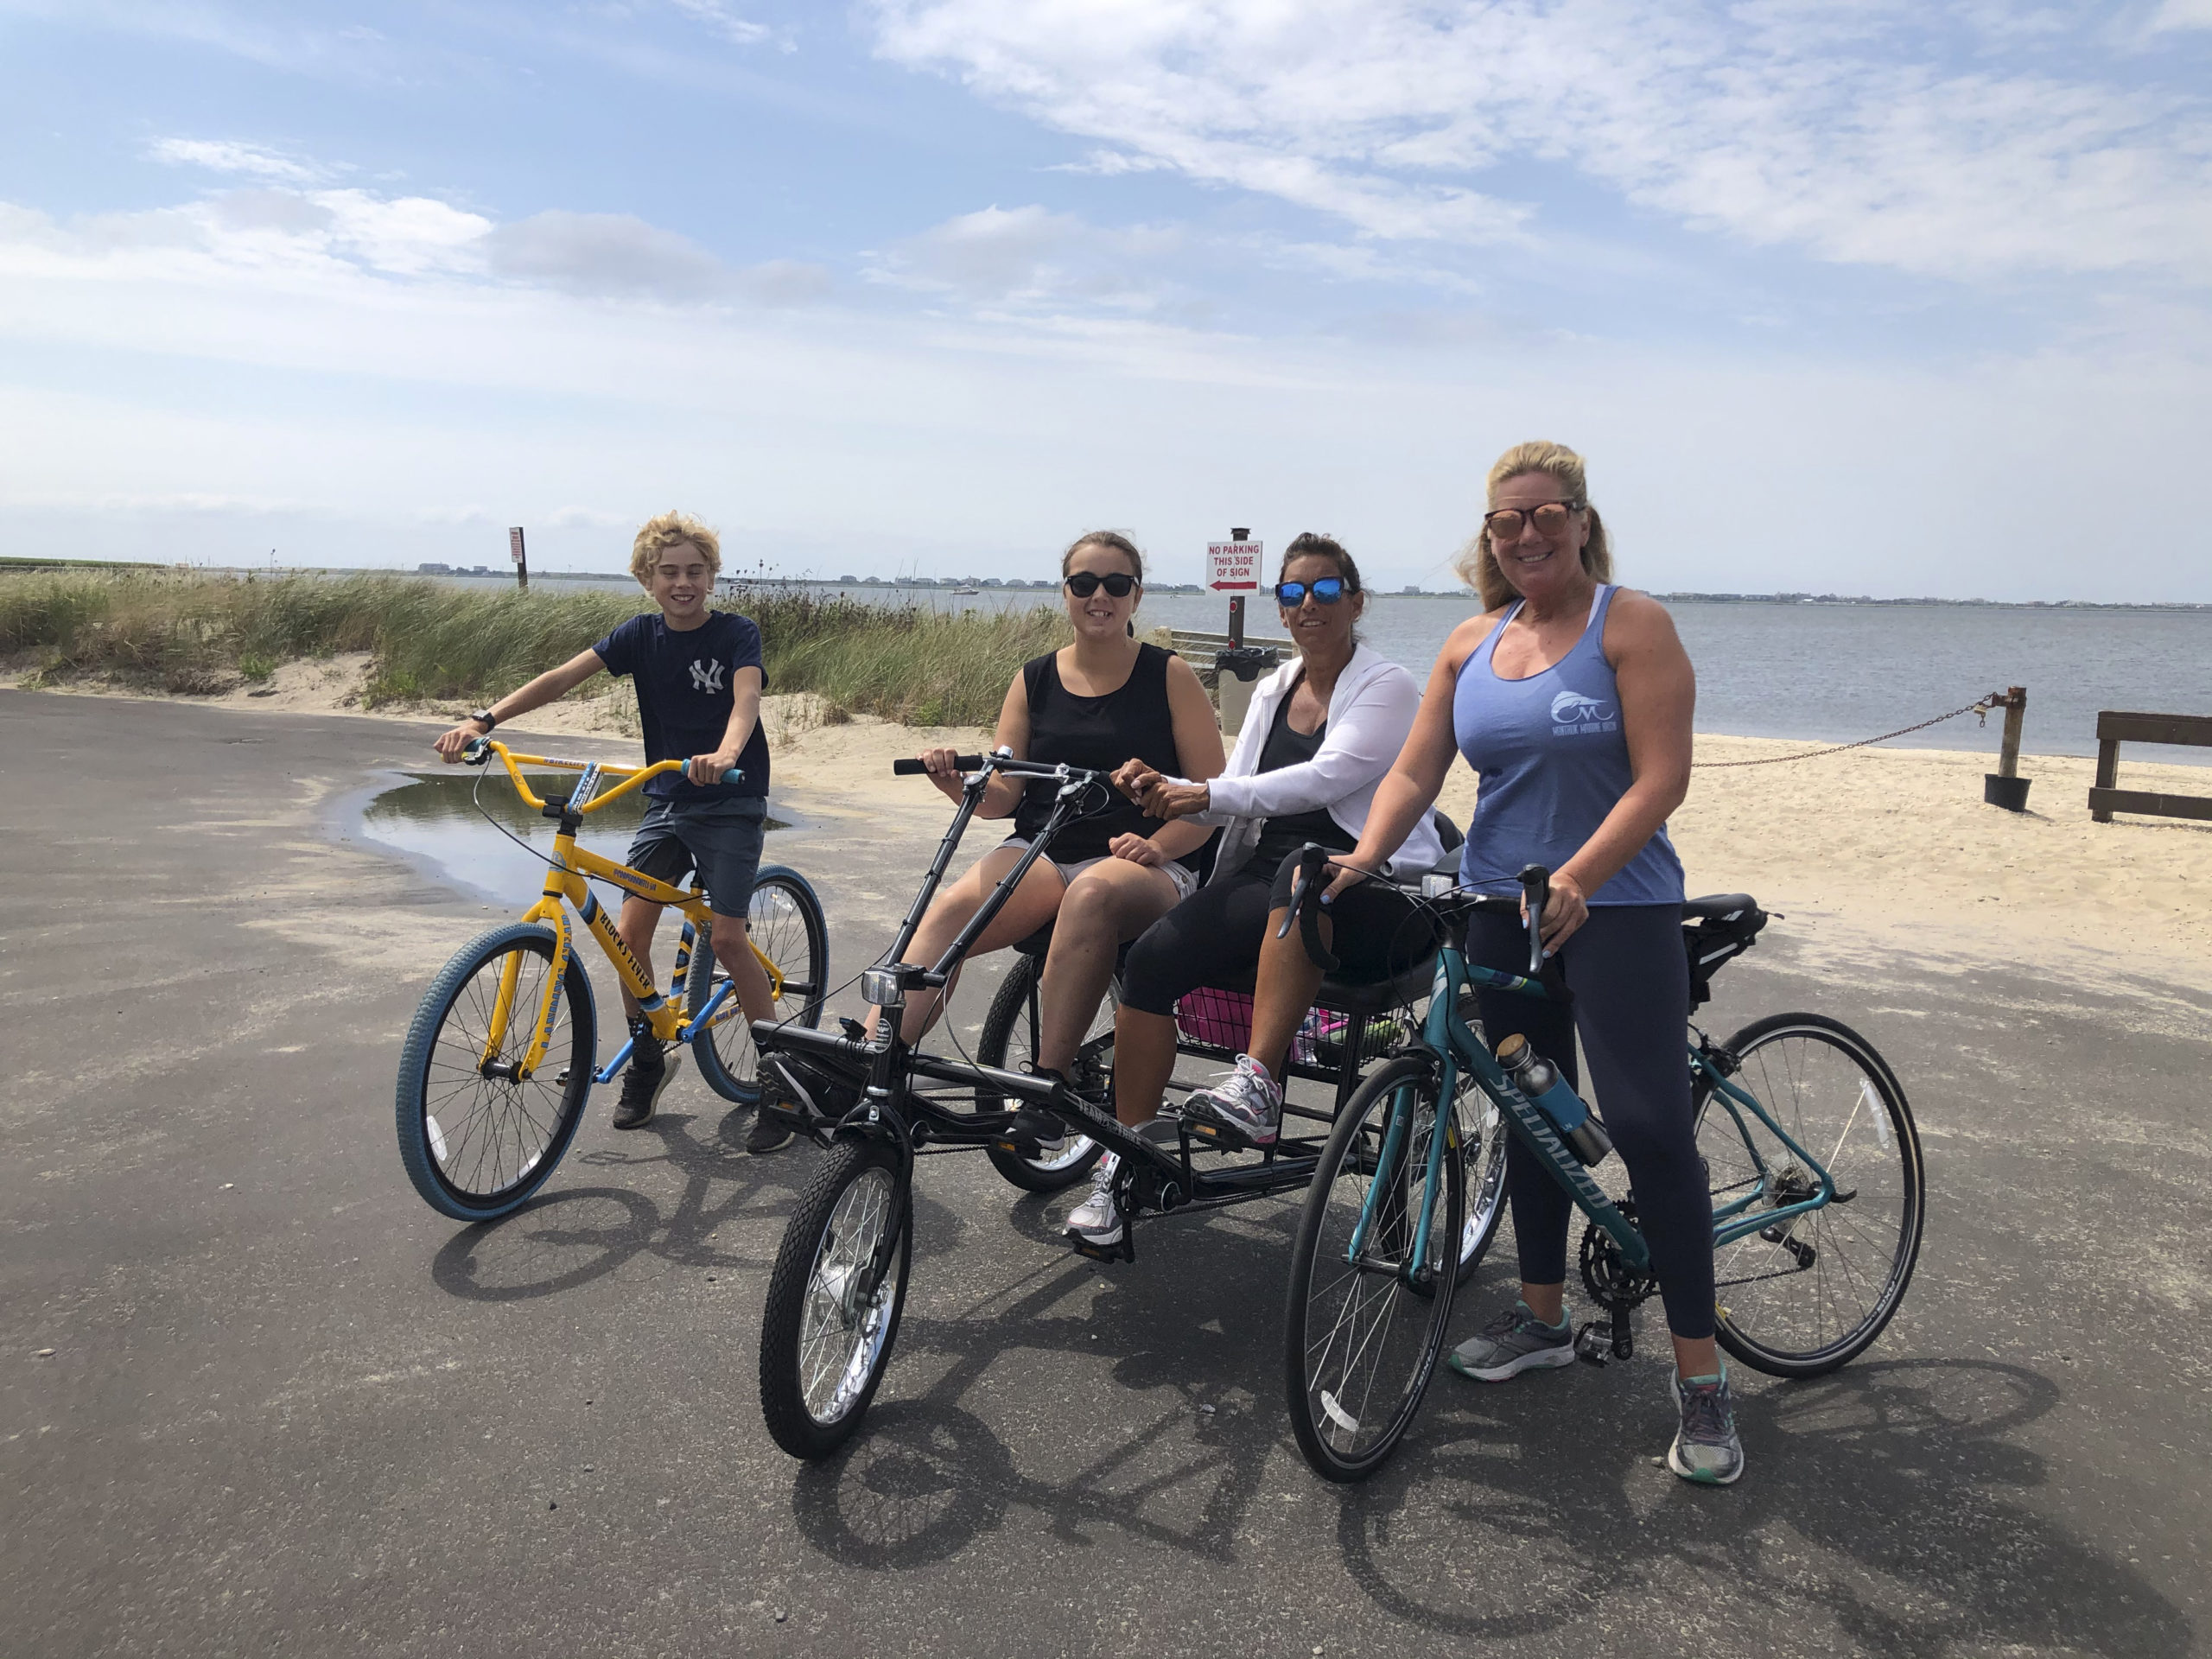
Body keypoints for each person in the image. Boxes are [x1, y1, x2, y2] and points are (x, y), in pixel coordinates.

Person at [1307, 441, 1735, 1485]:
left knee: (1643, 1126)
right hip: (1499, 910)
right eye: (1508, 523)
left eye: (1548, 515)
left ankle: (1703, 1378)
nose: (1529, 534)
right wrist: (1363, 857)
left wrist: (1581, 876)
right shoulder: (1470, 640)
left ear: (1582, 521)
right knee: (1531, 1115)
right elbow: (1416, 768)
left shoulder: (1629, 625)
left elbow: (1661, 779)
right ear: (1488, 538)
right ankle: (1542, 1319)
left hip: (1617, 906)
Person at [1064, 532, 1445, 1249]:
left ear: (1355, 601)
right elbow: (1232, 799)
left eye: (1326, 591)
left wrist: (1202, 788)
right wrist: (1167, 792)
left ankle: (1259, 1086)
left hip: (1369, 883)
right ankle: (1128, 1161)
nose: (1309, 605)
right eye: (1294, 593)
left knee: (1303, 871)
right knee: (1147, 965)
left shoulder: (1387, 685)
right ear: (1281, 608)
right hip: (1268, 877)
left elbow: (1326, 777)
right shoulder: (1275, 686)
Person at [433, 512, 793, 1153]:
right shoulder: (639, 635)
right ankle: (650, 1058)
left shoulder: (737, 633)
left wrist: (727, 755)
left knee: (730, 936)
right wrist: (484, 720)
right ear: (647, 580)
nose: (682, 583)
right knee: (628, 932)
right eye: (669, 573)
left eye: (694, 571)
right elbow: (560, 679)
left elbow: (745, 703)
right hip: (665, 798)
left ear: (711, 576)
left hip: (728, 800)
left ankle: (780, 1080)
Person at [895, 531, 1225, 1150]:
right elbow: (1003, 798)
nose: (1099, 596)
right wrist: (953, 783)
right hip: (1045, 848)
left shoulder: (1170, 676)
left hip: (1148, 859)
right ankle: (873, 1057)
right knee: (953, 909)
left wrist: (1161, 845)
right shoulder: (1034, 679)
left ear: (1136, 596)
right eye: (1084, 584)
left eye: (1115, 585)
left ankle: (1050, 1083)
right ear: (1066, 592)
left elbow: (1212, 800)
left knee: (1094, 892)